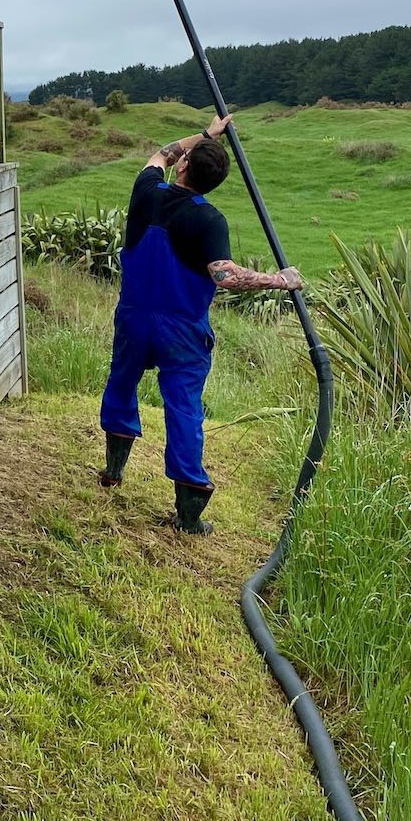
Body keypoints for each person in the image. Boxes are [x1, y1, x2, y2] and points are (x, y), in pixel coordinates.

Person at [97, 112, 304, 534]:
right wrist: (280, 280)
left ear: (185, 166)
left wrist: (205, 134)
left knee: (121, 385)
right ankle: (188, 513)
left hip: (134, 318)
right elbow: (225, 276)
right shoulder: (210, 220)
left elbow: (160, 153)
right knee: (183, 408)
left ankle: (113, 471)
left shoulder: (146, 191)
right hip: (182, 331)